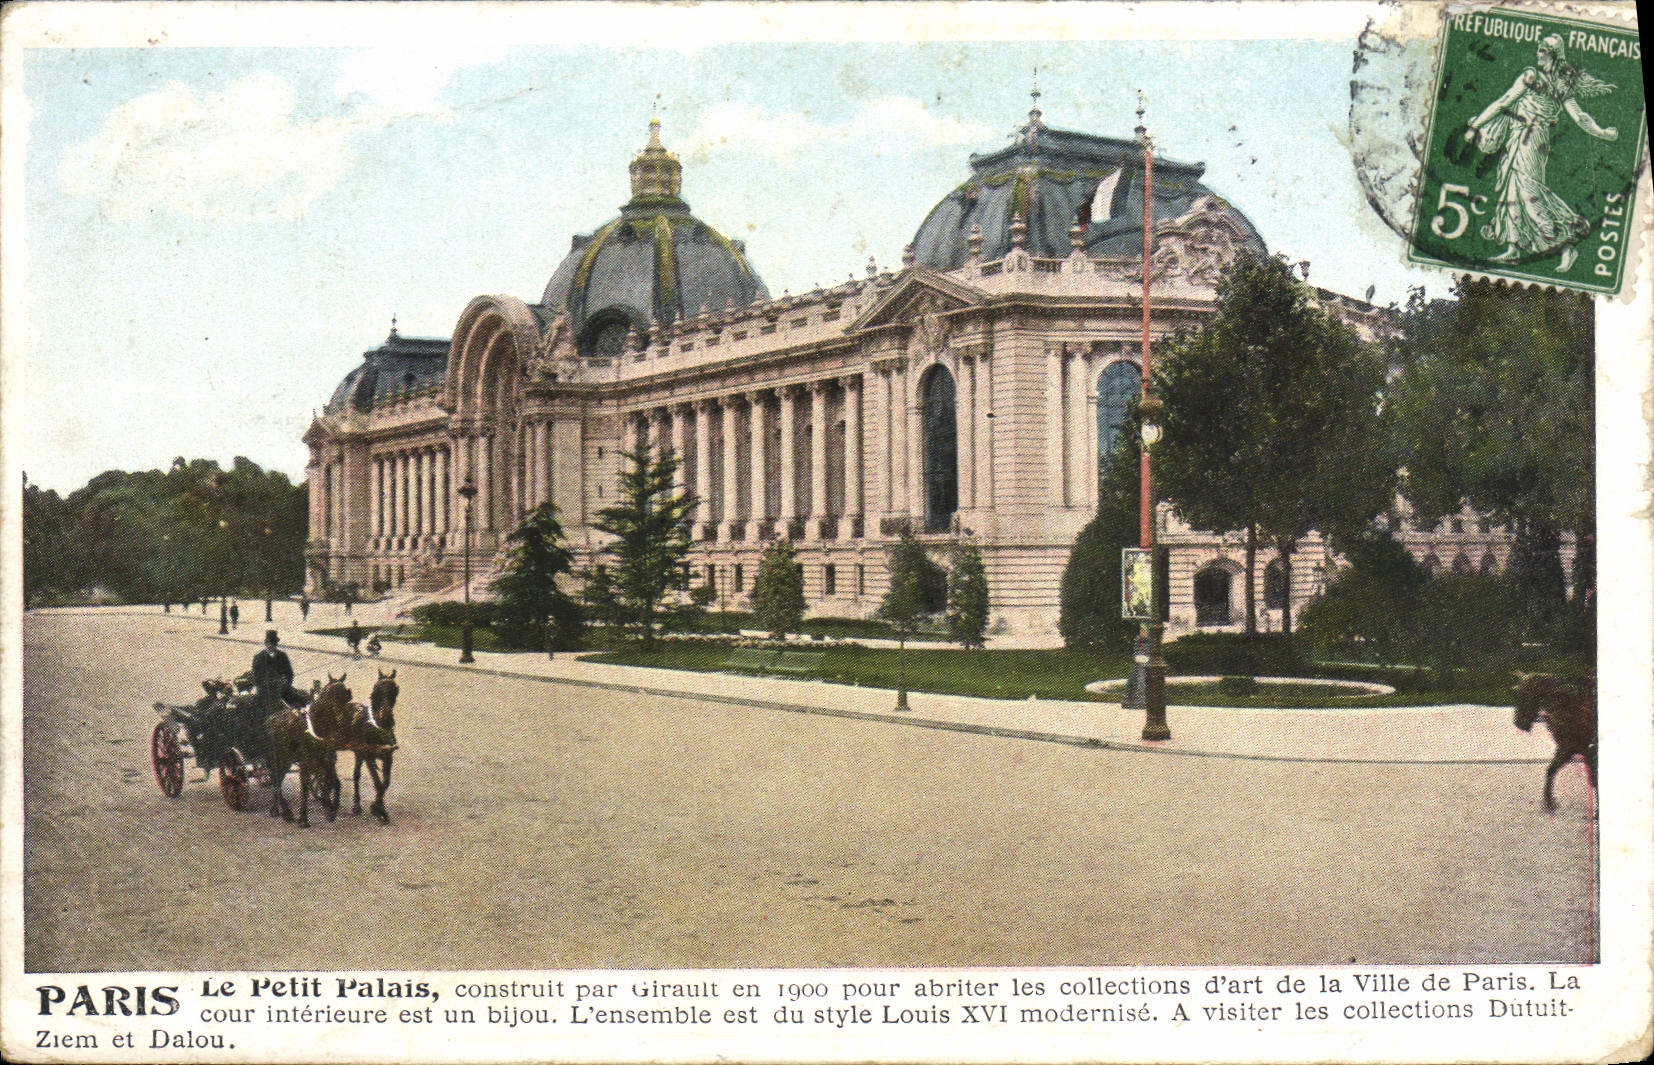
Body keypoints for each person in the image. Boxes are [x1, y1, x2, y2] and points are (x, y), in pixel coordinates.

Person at [1463, 35, 1618, 272]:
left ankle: (1566, 246)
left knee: (1529, 192)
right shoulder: (1547, 83)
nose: (1538, 55)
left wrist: (1603, 133)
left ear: (1553, 56)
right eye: (1538, 50)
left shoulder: (1542, 81)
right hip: (1518, 138)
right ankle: (1514, 248)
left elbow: (1579, 117)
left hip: (1532, 141)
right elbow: (1504, 102)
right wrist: (1476, 126)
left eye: (1542, 51)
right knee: (1511, 188)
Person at [250, 630, 304, 745]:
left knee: (299, 701)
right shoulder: (259, 658)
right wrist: (269, 684)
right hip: (265, 692)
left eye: (273, 644)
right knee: (261, 712)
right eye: (269, 643)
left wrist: (285, 683)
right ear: (265, 644)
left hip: (282, 690)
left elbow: (289, 674)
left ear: (276, 644)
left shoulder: (282, 656)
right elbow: (256, 678)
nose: (271, 646)